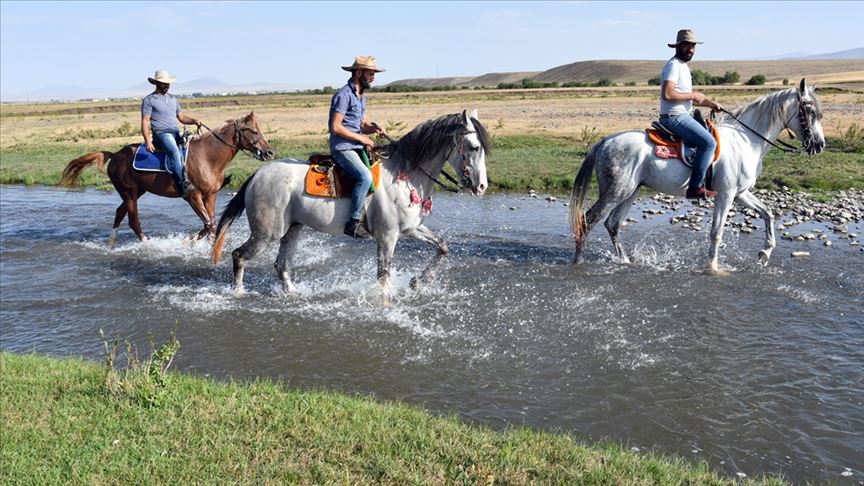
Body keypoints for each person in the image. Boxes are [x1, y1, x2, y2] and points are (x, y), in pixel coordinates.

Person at [658, 30, 724, 199]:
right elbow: (668, 94)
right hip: (675, 117)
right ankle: (695, 188)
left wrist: (710, 103)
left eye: (693, 46)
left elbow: (684, 98)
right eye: (687, 45)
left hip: (681, 114)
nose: (691, 49)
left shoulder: (683, 67)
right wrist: (693, 95)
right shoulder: (674, 65)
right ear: (678, 46)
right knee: (709, 143)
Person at [328, 56, 387, 238]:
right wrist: (363, 139)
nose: (373, 78)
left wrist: (372, 129)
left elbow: (360, 124)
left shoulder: (361, 96)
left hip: (355, 146)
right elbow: (336, 127)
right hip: (343, 147)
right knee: (364, 176)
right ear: (359, 73)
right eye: (371, 74)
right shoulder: (343, 95)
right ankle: (353, 223)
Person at [141, 69, 202, 199]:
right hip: (161, 134)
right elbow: (145, 121)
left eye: (168, 83)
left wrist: (194, 121)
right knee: (174, 152)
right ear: (156, 83)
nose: (167, 85)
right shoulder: (149, 100)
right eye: (164, 83)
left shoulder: (173, 99)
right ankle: (182, 185)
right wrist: (147, 140)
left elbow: (181, 117)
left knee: (195, 147)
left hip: (175, 132)